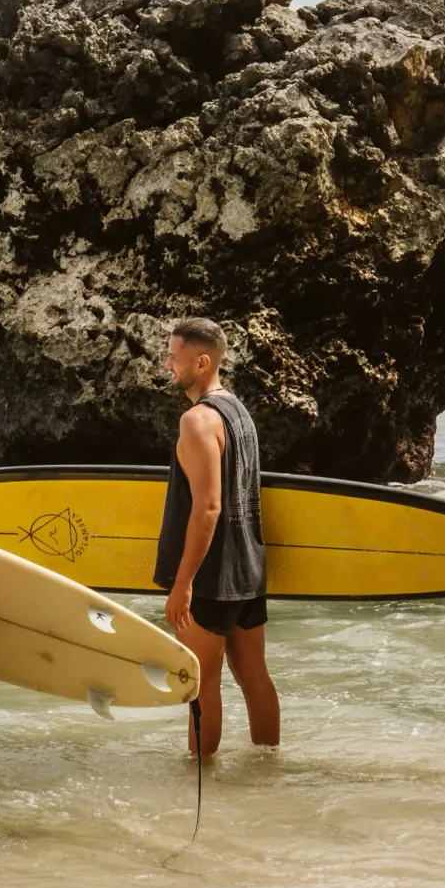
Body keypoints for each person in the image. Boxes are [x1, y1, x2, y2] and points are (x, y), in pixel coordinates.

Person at [154, 318, 281, 759]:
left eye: (174, 356)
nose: (168, 364)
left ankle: (199, 777)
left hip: (213, 576)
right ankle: (268, 766)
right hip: (248, 567)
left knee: (199, 682)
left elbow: (208, 507)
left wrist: (183, 583)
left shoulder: (198, 421)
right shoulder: (239, 412)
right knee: (253, 675)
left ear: (201, 361)